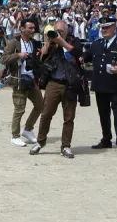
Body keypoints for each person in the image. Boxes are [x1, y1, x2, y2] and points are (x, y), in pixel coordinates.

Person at [29, 20, 83, 159]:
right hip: (53, 83)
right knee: (46, 114)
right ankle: (40, 142)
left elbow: (77, 53)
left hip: (70, 84)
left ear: (67, 32)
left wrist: (62, 42)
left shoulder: (74, 41)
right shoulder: (51, 44)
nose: (58, 34)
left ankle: (66, 146)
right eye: (56, 31)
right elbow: (41, 59)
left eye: (61, 32)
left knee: (69, 117)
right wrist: (48, 42)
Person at [84, 15, 117, 155]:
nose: (104, 30)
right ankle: (106, 139)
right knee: (103, 114)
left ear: (114, 28)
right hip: (100, 84)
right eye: (102, 27)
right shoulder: (96, 44)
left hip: (115, 84)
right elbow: (85, 56)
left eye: (107, 27)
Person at [1, 18, 43, 146]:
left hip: (32, 79)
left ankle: (28, 129)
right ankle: (15, 136)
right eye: (30, 28)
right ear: (22, 29)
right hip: (19, 79)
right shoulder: (13, 43)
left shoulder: (34, 43)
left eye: (33, 28)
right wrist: (18, 55)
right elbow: (3, 59)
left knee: (40, 105)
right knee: (20, 109)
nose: (32, 30)